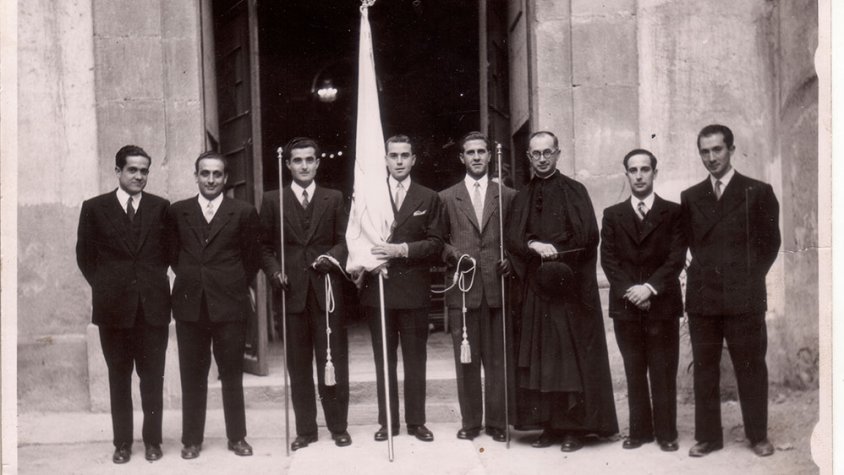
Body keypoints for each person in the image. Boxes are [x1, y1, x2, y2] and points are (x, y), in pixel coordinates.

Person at [505, 130, 618, 452]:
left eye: (547, 152)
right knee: (541, 360)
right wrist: (532, 245)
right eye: (535, 154)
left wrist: (556, 250)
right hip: (536, 292)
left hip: (569, 292)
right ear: (528, 157)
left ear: (558, 154)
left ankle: (573, 429)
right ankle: (550, 426)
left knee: (568, 360)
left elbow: (588, 236)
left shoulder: (574, 190)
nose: (541, 159)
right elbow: (513, 238)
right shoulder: (523, 196)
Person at [681, 124, 780, 458]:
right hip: (704, 298)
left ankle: (758, 435)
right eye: (705, 151)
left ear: (731, 150)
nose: (711, 158)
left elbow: (770, 243)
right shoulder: (691, 196)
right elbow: (688, 243)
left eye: (717, 150)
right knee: (705, 369)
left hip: (745, 297)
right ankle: (709, 437)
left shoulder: (758, 191)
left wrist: (749, 279)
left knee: (751, 366)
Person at [76, 145, 171, 464]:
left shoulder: (161, 207)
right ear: (118, 171)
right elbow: (85, 256)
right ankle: (122, 444)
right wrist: (107, 287)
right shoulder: (94, 208)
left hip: (152, 310)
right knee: (118, 378)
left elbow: (169, 253)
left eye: (144, 170)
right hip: (113, 310)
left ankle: (153, 441)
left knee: (152, 379)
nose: (139, 176)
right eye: (132, 169)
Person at [259, 137, 351, 451]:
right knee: (298, 366)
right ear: (288, 164)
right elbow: (264, 248)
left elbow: (345, 240)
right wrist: (274, 272)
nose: (304, 166)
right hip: (291, 293)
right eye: (297, 160)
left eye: (310, 160)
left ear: (318, 162)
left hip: (326, 291)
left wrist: (331, 257)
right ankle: (306, 430)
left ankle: (339, 426)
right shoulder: (273, 200)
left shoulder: (334, 197)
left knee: (333, 361)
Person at [167, 151, 260, 459]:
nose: (210, 179)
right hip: (189, 304)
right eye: (204, 173)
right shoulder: (178, 211)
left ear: (226, 178)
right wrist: (196, 279)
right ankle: (192, 439)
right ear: (196, 176)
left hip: (229, 304)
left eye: (216, 174)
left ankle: (237, 437)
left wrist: (230, 282)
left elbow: (252, 257)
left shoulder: (243, 212)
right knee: (192, 374)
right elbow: (172, 255)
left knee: (231, 372)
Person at [357, 134, 444, 442]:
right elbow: (355, 238)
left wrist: (402, 250)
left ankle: (416, 421)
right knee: (384, 360)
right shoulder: (370, 195)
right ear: (385, 159)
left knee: (415, 358)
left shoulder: (428, 196)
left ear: (413, 159)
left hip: (413, 292)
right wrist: (370, 261)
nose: (399, 161)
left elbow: (435, 244)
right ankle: (388, 422)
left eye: (404, 155)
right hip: (379, 287)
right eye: (393, 155)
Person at [600, 149, 685, 452]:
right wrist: (631, 291)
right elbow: (609, 260)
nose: (638, 176)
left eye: (644, 170)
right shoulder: (612, 214)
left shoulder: (674, 212)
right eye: (633, 170)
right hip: (626, 305)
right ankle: (639, 432)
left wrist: (649, 288)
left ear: (654, 173)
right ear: (626, 174)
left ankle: (666, 433)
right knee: (634, 368)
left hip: (662, 304)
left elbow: (676, 258)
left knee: (663, 369)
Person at [438, 131, 516, 442]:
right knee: (466, 358)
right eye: (470, 152)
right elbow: (438, 241)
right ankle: (471, 422)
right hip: (465, 288)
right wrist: (455, 256)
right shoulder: (446, 197)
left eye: (481, 151)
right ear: (462, 158)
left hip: (497, 286)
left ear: (489, 155)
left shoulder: (507, 195)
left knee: (497, 359)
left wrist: (510, 258)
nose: (477, 157)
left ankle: (497, 423)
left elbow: (516, 238)